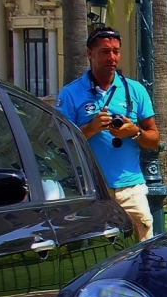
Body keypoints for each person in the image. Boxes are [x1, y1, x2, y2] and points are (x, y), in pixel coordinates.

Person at [55, 28, 160, 241]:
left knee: (144, 248)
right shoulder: (70, 93)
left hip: (130, 188)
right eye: (104, 51)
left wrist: (135, 132)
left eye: (116, 51)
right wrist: (91, 128)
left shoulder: (135, 90)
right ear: (89, 53)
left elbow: (154, 141)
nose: (112, 58)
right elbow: (60, 143)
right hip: (91, 191)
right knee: (93, 250)